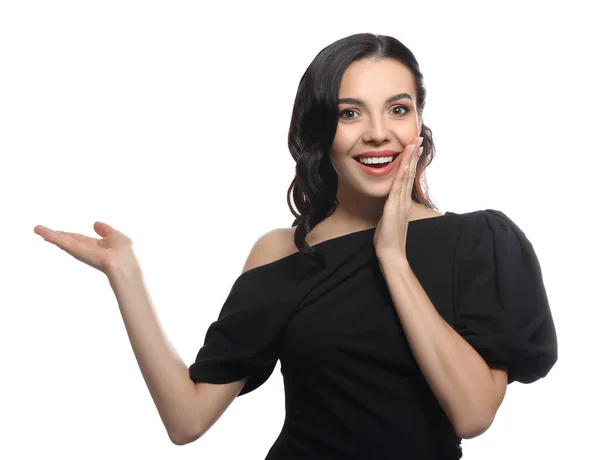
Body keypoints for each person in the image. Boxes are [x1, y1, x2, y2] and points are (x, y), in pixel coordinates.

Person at [33, 32, 558, 459]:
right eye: (350, 113)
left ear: (419, 121)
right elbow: (186, 419)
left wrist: (393, 257)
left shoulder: (480, 242)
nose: (379, 133)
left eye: (398, 109)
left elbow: (473, 414)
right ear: (321, 129)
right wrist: (125, 273)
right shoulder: (283, 252)